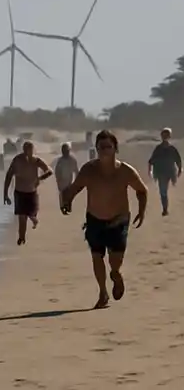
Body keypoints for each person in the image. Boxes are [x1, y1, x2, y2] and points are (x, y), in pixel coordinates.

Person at [60, 129, 148, 309]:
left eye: (108, 147)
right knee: (96, 256)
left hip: (118, 220)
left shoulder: (125, 171)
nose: (105, 150)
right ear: (96, 149)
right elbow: (76, 187)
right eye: (101, 147)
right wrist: (67, 200)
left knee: (114, 261)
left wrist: (141, 211)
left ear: (116, 148)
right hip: (94, 219)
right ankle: (102, 292)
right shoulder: (89, 169)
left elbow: (142, 190)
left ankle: (115, 273)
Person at [2, 141, 53, 245]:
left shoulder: (36, 160)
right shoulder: (17, 160)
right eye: (25, 149)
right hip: (19, 192)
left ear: (32, 150)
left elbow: (49, 171)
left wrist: (40, 178)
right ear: (23, 149)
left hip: (31, 192)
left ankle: (34, 220)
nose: (27, 152)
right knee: (22, 216)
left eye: (29, 150)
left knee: (31, 214)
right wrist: (5, 194)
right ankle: (22, 237)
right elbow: (9, 175)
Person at [148, 127, 181, 216]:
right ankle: (165, 209)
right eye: (164, 135)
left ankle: (166, 208)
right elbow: (151, 161)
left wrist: (179, 170)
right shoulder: (158, 149)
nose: (165, 137)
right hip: (161, 173)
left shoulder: (172, 148)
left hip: (169, 172)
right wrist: (150, 170)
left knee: (163, 191)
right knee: (163, 191)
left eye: (166, 135)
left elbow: (178, 160)